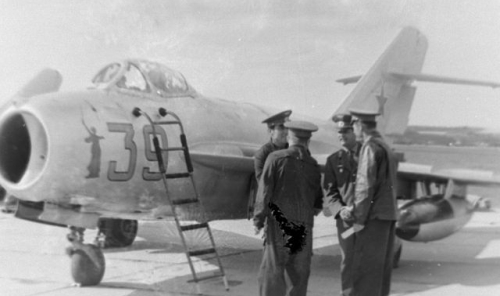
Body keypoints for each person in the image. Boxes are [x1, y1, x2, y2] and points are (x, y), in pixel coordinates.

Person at [253, 120, 323, 296]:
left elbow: (264, 193)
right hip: (304, 227)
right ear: (308, 141)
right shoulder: (313, 165)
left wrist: (258, 220)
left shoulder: (275, 158)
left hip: (279, 225)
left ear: (289, 137)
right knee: (298, 278)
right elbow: (318, 202)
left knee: (271, 275)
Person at [347, 108, 399, 296]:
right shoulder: (385, 146)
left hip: (373, 219)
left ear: (360, 125)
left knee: (365, 272)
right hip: (387, 217)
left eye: (353, 125)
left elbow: (365, 186)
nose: (353, 130)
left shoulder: (369, 147)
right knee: (379, 276)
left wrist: (358, 219)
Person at [322, 113, 361, 296]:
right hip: (346, 222)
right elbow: (329, 191)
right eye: (339, 131)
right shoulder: (333, 160)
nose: (341, 135)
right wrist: (340, 210)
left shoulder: (370, 156)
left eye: (346, 131)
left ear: (355, 131)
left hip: (367, 219)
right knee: (348, 259)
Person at [248, 110, 292, 218]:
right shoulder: (262, 155)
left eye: (287, 127)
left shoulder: (294, 151)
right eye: (281, 127)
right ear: (270, 131)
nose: (286, 131)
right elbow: (264, 186)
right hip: (274, 212)